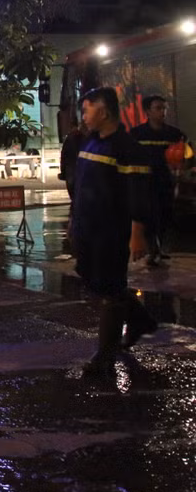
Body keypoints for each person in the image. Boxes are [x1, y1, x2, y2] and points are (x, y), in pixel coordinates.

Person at [70, 87, 156, 377]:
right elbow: (81, 186)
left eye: (87, 109)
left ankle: (104, 357)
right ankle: (140, 318)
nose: (84, 115)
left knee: (109, 288)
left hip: (112, 231)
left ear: (103, 112)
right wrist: (74, 221)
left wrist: (137, 233)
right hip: (86, 227)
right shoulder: (89, 142)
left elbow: (138, 195)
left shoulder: (127, 148)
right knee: (93, 280)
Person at [128, 95, 188, 266]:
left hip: (165, 182)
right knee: (148, 216)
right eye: (158, 108)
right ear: (147, 111)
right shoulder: (137, 134)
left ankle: (158, 247)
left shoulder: (174, 135)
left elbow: (187, 154)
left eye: (164, 108)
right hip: (144, 184)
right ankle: (152, 248)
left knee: (165, 215)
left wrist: (182, 166)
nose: (163, 112)